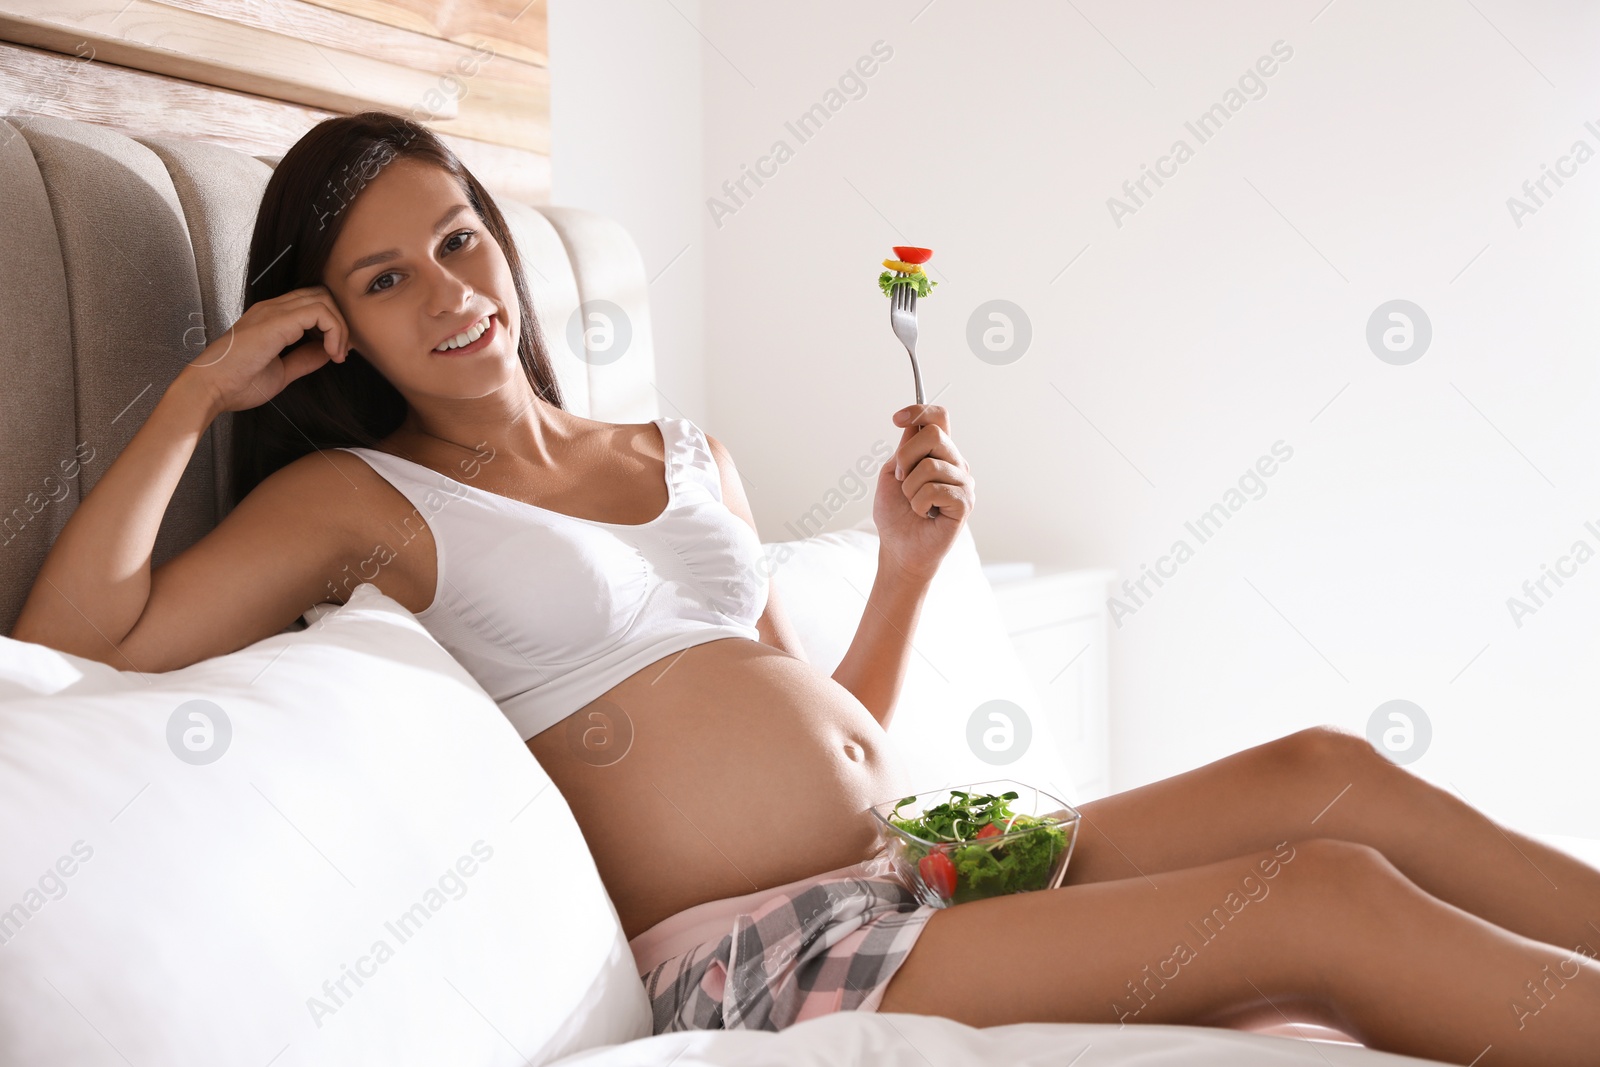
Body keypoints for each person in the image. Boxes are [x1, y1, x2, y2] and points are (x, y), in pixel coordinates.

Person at [12, 112, 1600, 1066]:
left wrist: (904, 574)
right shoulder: (364, 500)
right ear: (331, 328)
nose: (453, 293)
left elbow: (829, 725)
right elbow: (78, 643)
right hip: (769, 947)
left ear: (499, 243)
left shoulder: (677, 447)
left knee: (1326, 773)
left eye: (459, 240)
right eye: (384, 277)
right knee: (1321, 907)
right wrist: (196, 397)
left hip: (913, 855)